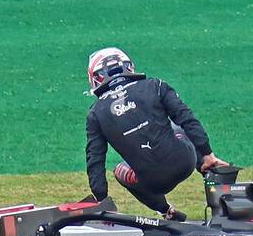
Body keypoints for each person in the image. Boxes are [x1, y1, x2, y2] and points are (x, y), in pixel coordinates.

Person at [84, 47, 226, 220]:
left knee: (119, 170)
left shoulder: (95, 114)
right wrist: (207, 153)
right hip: (185, 162)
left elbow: (95, 161)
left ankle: (167, 212)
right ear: (129, 66)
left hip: (152, 183)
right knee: (177, 125)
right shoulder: (156, 86)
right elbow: (187, 119)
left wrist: (102, 200)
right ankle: (218, 189)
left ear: (95, 78)